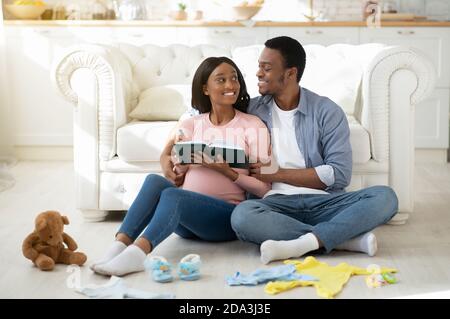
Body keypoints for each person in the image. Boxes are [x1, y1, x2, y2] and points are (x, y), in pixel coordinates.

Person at [161, 36, 399, 265]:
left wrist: (276, 174)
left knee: (385, 197)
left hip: (325, 203)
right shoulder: (253, 108)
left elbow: (338, 174)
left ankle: (302, 242)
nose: (257, 73)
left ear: (290, 73)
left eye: (266, 68)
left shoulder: (326, 111)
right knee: (242, 217)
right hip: (272, 205)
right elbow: (194, 116)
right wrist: (165, 154)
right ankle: (340, 240)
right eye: (259, 67)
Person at [91, 57, 271, 276]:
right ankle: (119, 246)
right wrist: (181, 165)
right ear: (205, 88)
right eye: (221, 80)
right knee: (155, 182)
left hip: (223, 220)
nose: (230, 85)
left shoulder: (252, 126)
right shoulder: (191, 124)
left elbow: (264, 189)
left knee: (173, 196)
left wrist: (228, 172)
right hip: (184, 221)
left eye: (234, 79)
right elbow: (176, 176)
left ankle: (138, 254)